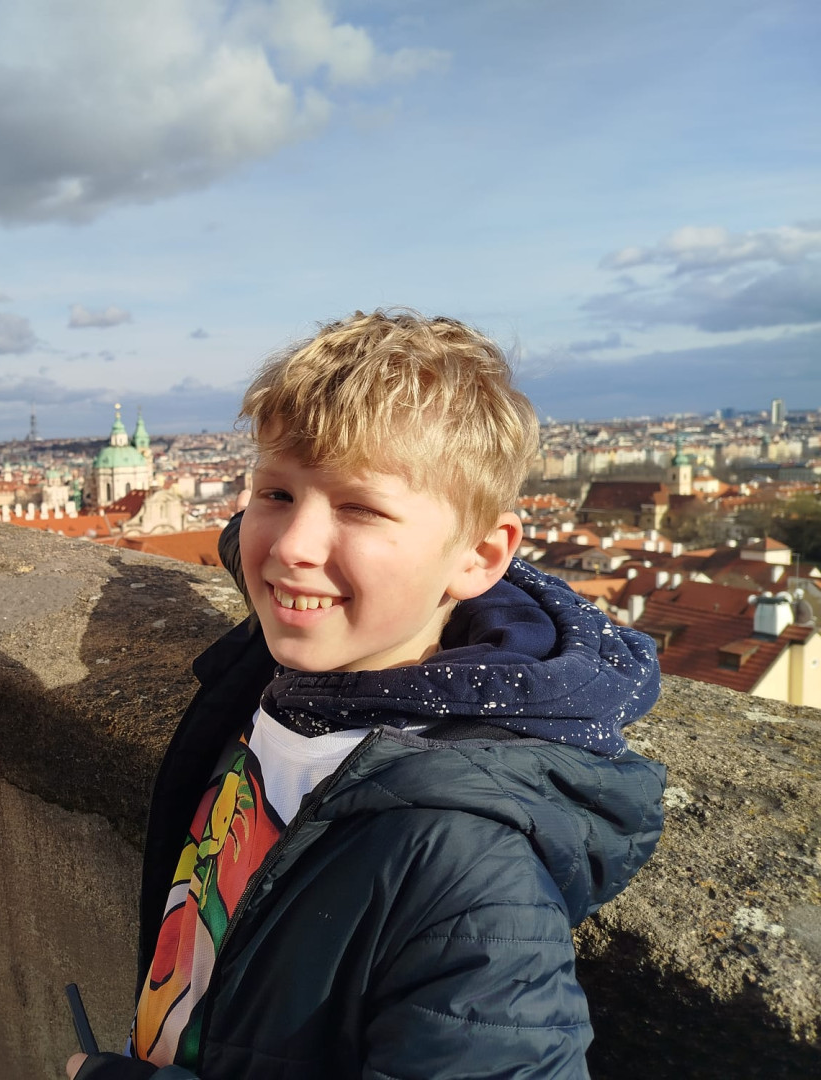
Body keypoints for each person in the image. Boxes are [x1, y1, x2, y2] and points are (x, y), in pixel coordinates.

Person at [68, 311, 667, 1080]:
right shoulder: (304, 642)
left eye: (360, 509)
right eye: (276, 494)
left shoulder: (469, 865)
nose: (292, 547)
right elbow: (257, 546)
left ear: (480, 556)